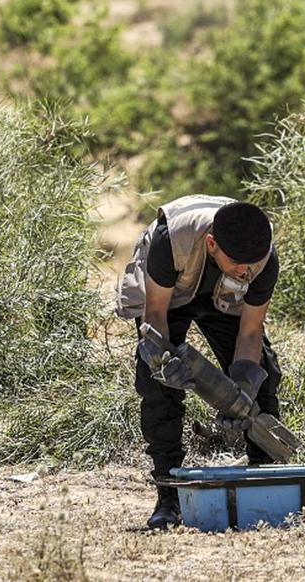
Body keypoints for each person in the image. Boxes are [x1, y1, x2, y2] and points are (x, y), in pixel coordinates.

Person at [116, 196, 282, 529]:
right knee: (157, 385)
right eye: (238, 263)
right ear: (212, 244)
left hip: (225, 302)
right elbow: (155, 316)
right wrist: (162, 361)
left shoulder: (262, 260)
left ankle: (266, 482)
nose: (247, 271)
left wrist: (243, 390)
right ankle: (169, 494)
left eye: (254, 263)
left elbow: (249, 334)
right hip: (170, 297)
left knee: (262, 374)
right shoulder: (169, 240)